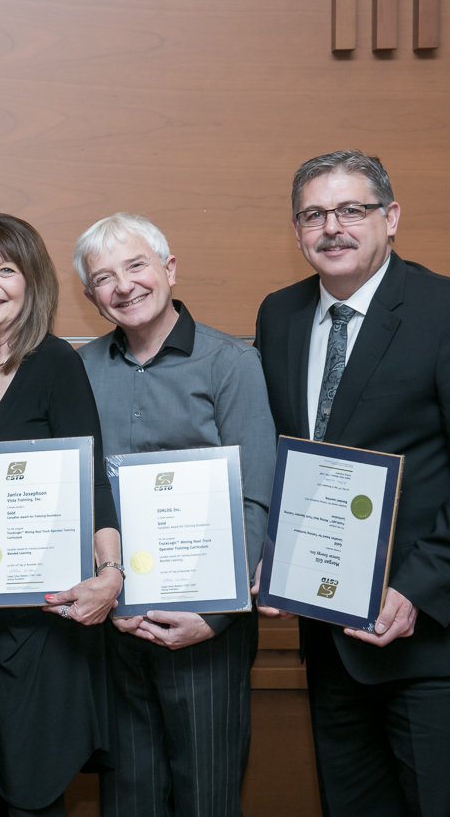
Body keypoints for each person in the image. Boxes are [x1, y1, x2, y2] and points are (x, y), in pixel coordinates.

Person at [254, 151, 450, 816]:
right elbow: (292, 462)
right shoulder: (279, 317)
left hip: (433, 642)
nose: (332, 228)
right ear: (296, 232)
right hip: (331, 637)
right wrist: (276, 558)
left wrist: (416, 591)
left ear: (390, 218)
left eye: (352, 210)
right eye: (314, 215)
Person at [73, 213, 275, 817]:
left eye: (136, 266)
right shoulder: (79, 370)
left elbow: (255, 497)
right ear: (91, 297)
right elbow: (78, 491)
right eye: (103, 278)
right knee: (127, 798)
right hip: (115, 621)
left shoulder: (230, 363)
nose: (124, 286)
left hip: (206, 629)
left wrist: (212, 617)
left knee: (207, 796)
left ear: (169, 269)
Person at [0, 213, 122, 817]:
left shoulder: (55, 364)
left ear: (32, 283)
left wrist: (112, 574)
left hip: (43, 627)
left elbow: (92, 481)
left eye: (6, 269)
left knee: (32, 800)